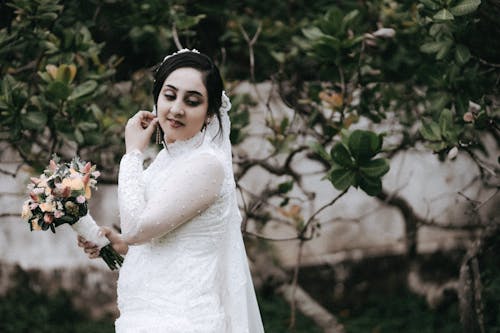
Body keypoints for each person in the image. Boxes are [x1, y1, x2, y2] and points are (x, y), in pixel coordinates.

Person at [77, 49, 265, 333]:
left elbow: (137, 227)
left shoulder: (207, 165)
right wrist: (115, 243)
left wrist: (131, 155)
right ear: (156, 99)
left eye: (192, 101)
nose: (176, 109)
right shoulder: (168, 159)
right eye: (169, 95)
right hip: (146, 317)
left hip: (183, 321)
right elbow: (160, 241)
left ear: (210, 113)